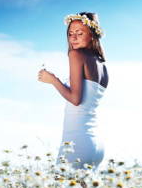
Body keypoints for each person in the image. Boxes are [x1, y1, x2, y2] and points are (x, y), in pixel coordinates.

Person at [37, 12, 109, 171]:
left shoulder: (76, 54)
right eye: (71, 33)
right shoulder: (102, 65)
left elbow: (75, 99)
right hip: (96, 144)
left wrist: (53, 80)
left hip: (77, 141)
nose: (73, 37)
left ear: (92, 35)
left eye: (80, 33)